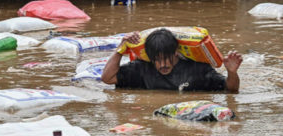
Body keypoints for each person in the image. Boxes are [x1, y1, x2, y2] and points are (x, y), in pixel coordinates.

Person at [102, 29, 243, 92]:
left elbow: (230, 89)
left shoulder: (197, 70)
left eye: (166, 58)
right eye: (157, 60)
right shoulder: (141, 68)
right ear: (150, 58)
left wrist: (232, 73)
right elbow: (108, 78)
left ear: (176, 52)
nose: (162, 64)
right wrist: (121, 49)